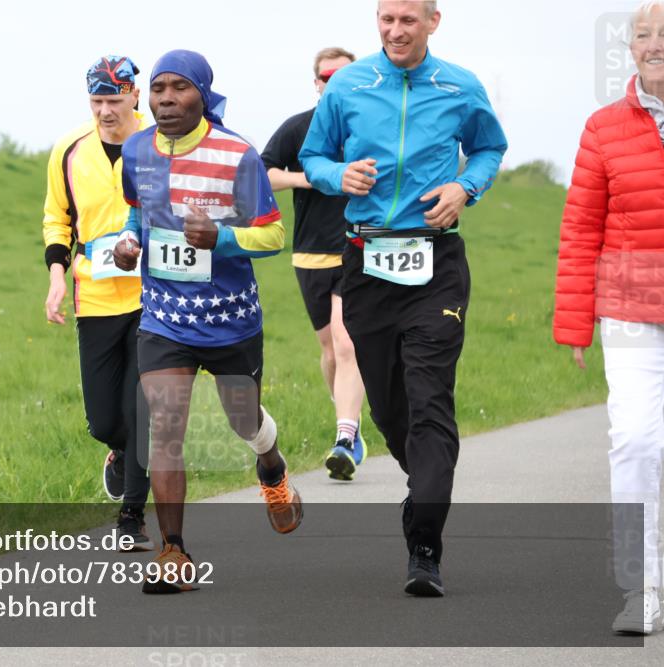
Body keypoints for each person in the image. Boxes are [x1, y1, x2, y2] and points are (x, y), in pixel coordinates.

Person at [299, 0, 507, 596]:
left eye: (408, 20)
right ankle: (425, 485)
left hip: (435, 261)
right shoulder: (350, 84)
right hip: (366, 261)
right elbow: (314, 157)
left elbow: (491, 149)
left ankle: (425, 545)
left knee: (430, 398)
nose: (395, 30)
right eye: (386, 19)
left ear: (432, 22)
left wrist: (465, 187)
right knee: (391, 409)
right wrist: (339, 177)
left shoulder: (460, 87)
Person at [113, 49, 303, 593]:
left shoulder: (237, 155)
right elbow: (136, 212)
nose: (166, 99)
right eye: (158, 89)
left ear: (203, 94)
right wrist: (129, 243)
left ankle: (270, 465)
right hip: (164, 317)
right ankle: (174, 552)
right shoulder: (136, 150)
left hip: (230, 321)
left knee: (243, 421)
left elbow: (271, 235)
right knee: (165, 427)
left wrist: (220, 238)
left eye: (180, 88)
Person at [554, 0, 664, 635]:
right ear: (630, 48)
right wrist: (575, 323)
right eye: (643, 34)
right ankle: (640, 587)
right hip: (630, 308)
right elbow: (581, 228)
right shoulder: (603, 127)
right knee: (636, 440)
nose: (654, 43)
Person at [42, 55, 152, 551]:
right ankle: (116, 451)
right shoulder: (68, 150)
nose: (106, 111)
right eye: (97, 101)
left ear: (135, 94)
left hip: (154, 296)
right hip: (96, 296)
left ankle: (131, 515)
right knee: (106, 421)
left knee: (142, 408)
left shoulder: (159, 143)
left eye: (114, 99)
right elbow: (56, 218)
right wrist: (57, 276)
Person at [262, 47, 370, 482]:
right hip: (309, 254)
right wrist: (308, 176)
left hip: (357, 247)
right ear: (317, 83)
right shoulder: (299, 128)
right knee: (329, 351)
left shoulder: (367, 125)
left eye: (347, 76)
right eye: (329, 76)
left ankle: (344, 437)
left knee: (347, 345)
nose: (336, 82)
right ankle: (351, 424)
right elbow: (263, 172)